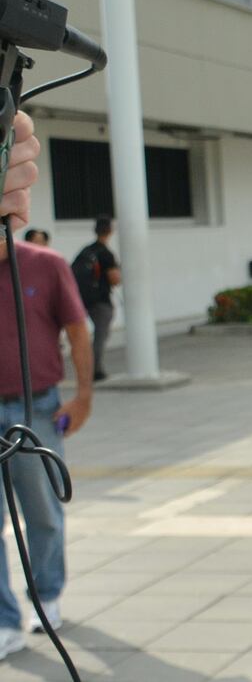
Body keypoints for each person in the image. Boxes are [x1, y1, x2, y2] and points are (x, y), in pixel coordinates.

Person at [0, 230, 94, 658]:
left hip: (34, 407)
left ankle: (47, 596)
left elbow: (77, 331)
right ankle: (4, 621)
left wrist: (83, 396)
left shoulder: (44, 263)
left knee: (41, 510)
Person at [72, 217, 120, 382]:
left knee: (87, 336)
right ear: (110, 231)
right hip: (101, 301)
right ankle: (95, 370)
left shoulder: (86, 251)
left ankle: (88, 367)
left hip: (83, 298)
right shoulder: (106, 253)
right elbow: (114, 279)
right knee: (100, 336)